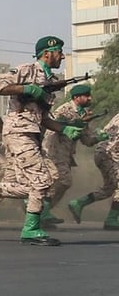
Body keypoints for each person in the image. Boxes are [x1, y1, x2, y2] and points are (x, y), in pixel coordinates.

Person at [0, 36, 84, 246]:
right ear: (47, 53)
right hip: (18, 133)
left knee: (29, 186)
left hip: (33, 134)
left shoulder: (49, 81)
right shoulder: (27, 70)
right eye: (59, 52)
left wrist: (65, 128)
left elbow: (44, 119)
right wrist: (26, 88)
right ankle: (31, 229)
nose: (62, 56)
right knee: (43, 180)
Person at [40, 84, 102, 225]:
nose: (89, 98)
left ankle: (42, 211)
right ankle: (41, 209)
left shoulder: (84, 113)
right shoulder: (64, 110)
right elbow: (54, 125)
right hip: (54, 150)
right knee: (63, 180)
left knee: (62, 182)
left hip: (66, 153)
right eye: (86, 95)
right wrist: (75, 123)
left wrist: (98, 137)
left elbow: (86, 139)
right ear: (76, 97)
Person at [68, 113, 119, 229]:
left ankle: (80, 203)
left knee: (110, 188)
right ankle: (112, 218)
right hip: (110, 154)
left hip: (104, 152)